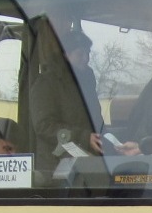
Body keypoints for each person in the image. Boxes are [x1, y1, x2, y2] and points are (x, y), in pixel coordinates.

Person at [30, 29, 105, 169]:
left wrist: (107, 140)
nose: (86, 58)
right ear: (65, 55)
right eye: (80, 54)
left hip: (89, 161)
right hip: (56, 166)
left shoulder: (87, 83)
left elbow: (95, 121)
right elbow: (44, 126)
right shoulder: (46, 83)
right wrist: (83, 137)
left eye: (88, 53)